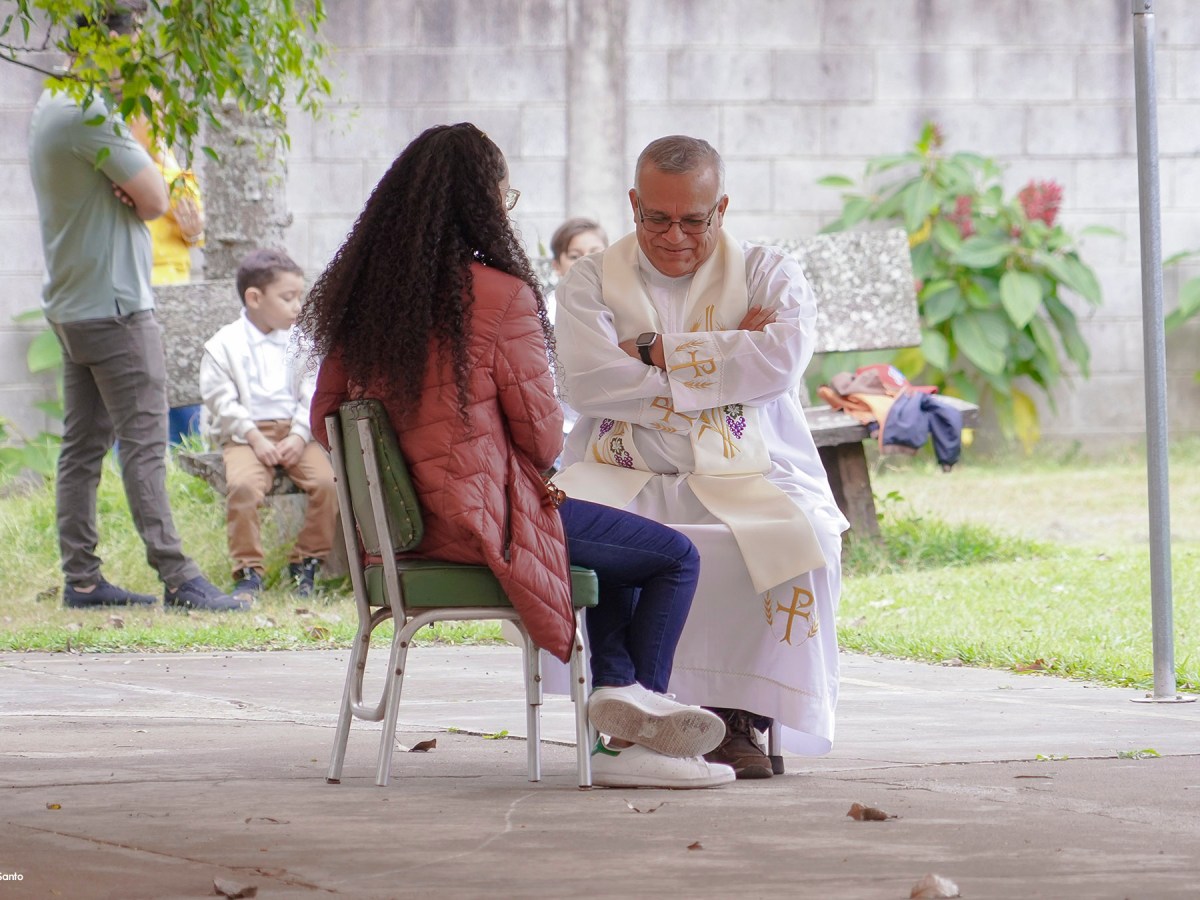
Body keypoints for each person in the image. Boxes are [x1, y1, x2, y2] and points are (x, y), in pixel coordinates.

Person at [302, 123, 733, 789]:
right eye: (505, 199)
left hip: (395, 539)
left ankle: (618, 714)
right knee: (674, 557)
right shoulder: (500, 296)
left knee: (610, 555)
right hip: (485, 525)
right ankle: (633, 737)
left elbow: (323, 418)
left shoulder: (361, 300)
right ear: (484, 205)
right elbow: (541, 438)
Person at [553, 135, 849, 779]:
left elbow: (778, 362)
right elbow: (591, 383)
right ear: (634, 203)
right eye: (656, 218)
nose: (675, 236)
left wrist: (654, 349)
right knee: (627, 540)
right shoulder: (590, 278)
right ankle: (641, 709)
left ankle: (737, 714)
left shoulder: (771, 271)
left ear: (723, 206)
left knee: (809, 540)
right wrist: (726, 354)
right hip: (624, 470)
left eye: (695, 219)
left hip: (751, 469)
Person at [26, 0, 242, 612]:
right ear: (111, 46)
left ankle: (84, 579)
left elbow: (147, 191)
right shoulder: (92, 112)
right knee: (144, 444)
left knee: (83, 445)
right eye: (135, 44)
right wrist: (140, 181)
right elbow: (154, 201)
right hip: (116, 306)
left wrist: (138, 178)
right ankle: (181, 579)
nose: (141, 58)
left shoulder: (52, 104)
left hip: (73, 302)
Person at [199, 249, 336, 604]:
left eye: (299, 297)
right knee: (243, 487)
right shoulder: (224, 345)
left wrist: (299, 433)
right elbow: (220, 401)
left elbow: (313, 389)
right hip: (245, 436)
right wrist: (254, 437)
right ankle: (248, 571)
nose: (296, 306)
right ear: (255, 298)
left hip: (295, 433)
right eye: (288, 298)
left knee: (328, 483)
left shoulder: (300, 342)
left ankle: (306, 561)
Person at [131, 114, 207, 444]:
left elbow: (190, 213)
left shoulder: (167, 161)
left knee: (183, 378)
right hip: (138, 286)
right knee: (140, 386)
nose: (156, 125)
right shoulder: (121, 157)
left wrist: (161, 155)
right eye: (146, 116)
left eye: (160, 115)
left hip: (176, 286)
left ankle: (187, 463)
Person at [544, 218, 609, 445]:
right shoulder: (543, 314)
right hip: (562, 430)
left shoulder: (624, 306)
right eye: (574, 256)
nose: (586, 262)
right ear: (557, 265)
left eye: (595, 252)